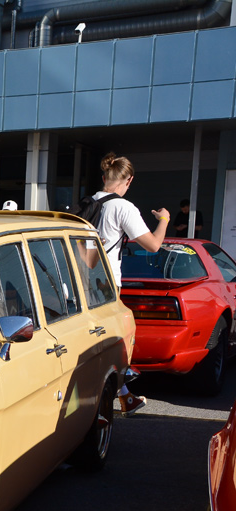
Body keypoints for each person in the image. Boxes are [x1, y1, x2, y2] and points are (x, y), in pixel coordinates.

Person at [93, 151, 170, 415]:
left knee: (99, 340)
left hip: (80, 284)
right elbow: (153, 245)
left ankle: (125, 396)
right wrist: (164, 220)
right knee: (121, 334)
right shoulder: (123, 207)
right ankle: (122, 385)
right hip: (106, 284)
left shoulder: (89, 201)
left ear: (104, 177)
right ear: (129, 180)